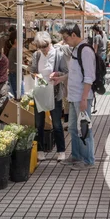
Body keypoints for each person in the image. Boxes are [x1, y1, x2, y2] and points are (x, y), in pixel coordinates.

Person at [58, 23, 96, 170]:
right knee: (73, 128)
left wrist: (84, 98)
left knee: (84, 129)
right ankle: (76, 156)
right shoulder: (76, 49)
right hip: (74, 96)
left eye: (66, 37)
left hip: (81, 97)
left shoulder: (85, 50)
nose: (64, 40)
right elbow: (75, 73)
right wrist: (61, 79)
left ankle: (88, 160)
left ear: (74, 35)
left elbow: (89, 77)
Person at [30, 32, 69, 162]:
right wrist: (35, 75)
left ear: (50, 43)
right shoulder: (36, 55)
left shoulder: (59, 54)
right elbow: (33, 71)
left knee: (57, 123)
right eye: (40, 47)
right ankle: (40, 150)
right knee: (39, 123)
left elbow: (66, 72)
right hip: (40, 91)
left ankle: (61, 150)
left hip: (54, 91)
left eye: (45, 47)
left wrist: (57, 74)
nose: (43, 50)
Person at [5, 31, 24, 98]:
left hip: (14, 73)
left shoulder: (13, 49)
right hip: (15, 74)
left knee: (17, 94)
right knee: (19, 95)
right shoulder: (15, 49)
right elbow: (21, 63)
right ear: (16, 40)